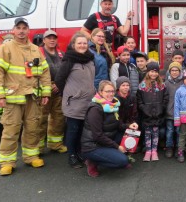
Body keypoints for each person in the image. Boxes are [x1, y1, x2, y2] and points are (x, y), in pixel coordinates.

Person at [0, 17, 51, 176]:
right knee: (11, 129)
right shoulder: (6, 48)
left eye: (25, 28)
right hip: (13, 97)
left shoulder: (35, 49)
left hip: (33, 96)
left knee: (33, 127)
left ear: (29, 31)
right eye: (19, 28)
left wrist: (46, 92)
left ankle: (31, 156)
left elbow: (44, 72)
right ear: (13, 30)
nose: (22, 31)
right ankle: (7, 162)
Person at [55, 32, 96, 169]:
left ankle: (79, 152)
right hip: (74, 103)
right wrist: (68, 94)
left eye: (85, 43)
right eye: (79, 43)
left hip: (88, 102)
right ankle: (72, 155)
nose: (82, 45)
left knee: (82, 130)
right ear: (73, 45)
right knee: (73, 130)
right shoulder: (69, 60)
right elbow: (59, 79)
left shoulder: (90, 59)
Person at [81, 80, 138, 177]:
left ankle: (111, 154)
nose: (111, 94)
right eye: (107, 91)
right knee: (122, 161)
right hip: (93, 146)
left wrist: (129, 126)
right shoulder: (95, 109)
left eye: (112, 91)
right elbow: (97, 136)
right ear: (100, 92)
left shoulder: (112, 105)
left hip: (107, 139)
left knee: (130, 134)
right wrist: (117, 147)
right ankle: (92, 161)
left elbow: (118, 124)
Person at [37, 29, 67, 154]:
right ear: (44, 40)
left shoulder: (61, 54)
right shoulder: (38, 53)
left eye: (54, 38)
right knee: (40, 119)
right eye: (49, 38)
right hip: (43, 90)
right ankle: (37, 148)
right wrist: (47, 85)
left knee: (58, 118)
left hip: (58, 89)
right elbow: (34, 72)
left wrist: (59, 85)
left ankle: (55, 144)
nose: (52, 40)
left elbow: (66, 71)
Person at [136, 62, 168, 162]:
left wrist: (161, 108)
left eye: (155, 72)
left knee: (155, 132)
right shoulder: (142, 85)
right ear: (148, 72)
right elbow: (139, 100)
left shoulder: (162, 85)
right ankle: (148, 151)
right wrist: (143, 108)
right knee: (147, 132)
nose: (153, 74)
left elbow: (165, 98)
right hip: (147, 114)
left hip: (158, 113)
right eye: (151, 71)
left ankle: (154, 151)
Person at [164, 62, 183, 158]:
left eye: (176, 70)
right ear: (169, 71)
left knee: (179, 131)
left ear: (180, 71)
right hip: (169, 112)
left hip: (180, 112)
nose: (174, 72)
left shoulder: (183, 82)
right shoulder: (166, 83)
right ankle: (169, 147)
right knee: (170, 131)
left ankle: (179, 147)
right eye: (172, 70)